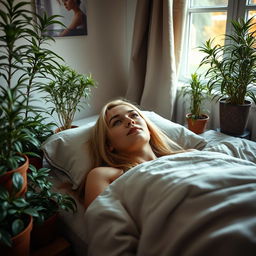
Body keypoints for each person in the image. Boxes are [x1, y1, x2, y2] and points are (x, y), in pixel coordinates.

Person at [84, 99, 190, 209]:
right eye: (117, 122)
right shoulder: (104, 175)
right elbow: (102, 221)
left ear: (148, 128)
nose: (130, 121)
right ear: (108, 144)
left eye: (134, 115)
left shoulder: (188, 156)